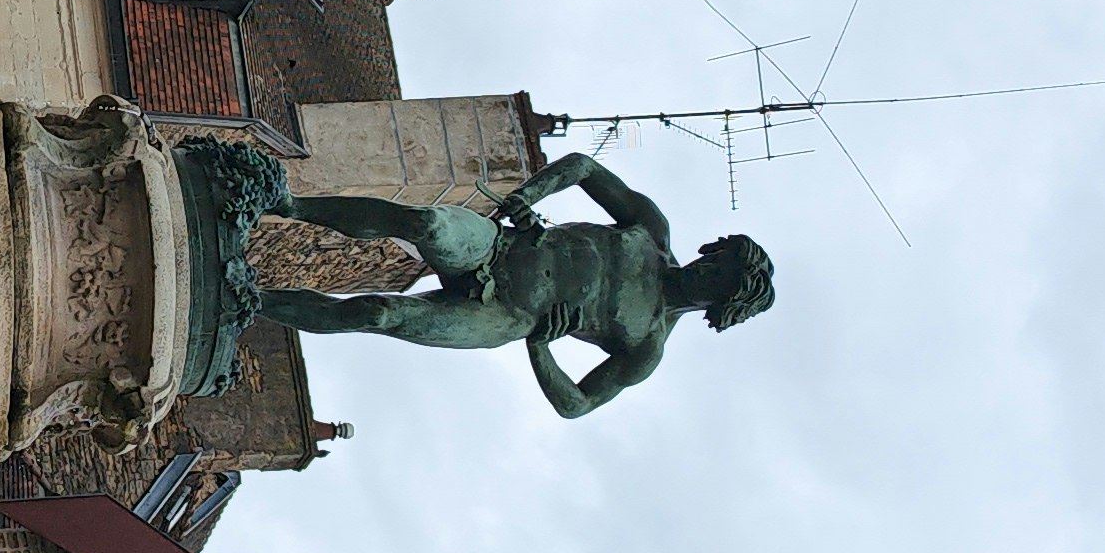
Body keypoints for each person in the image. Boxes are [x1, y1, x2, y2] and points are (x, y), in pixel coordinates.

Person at [254, 151, 774, 418]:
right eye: (714, 261)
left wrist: (541, 348)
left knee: (377, 314)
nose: (704, 271)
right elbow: (584, 167)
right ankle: (287, 204)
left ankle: (252, 301)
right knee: (426, 224)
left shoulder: (646, 345)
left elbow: (577, 404)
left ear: (718, 305)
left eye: (716, 281)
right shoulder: (650, 231)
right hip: (501, 246)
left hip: (505, 317)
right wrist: (529, 196)